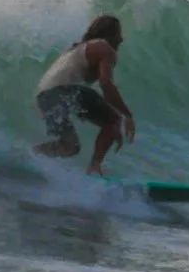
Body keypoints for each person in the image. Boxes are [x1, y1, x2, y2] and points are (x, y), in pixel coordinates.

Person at [33, 14, 136, 174]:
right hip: (64, 90)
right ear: (110, 35)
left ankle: (29, 156)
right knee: (113, 120)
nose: (121, 39)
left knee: (70, 145)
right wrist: (126, 115)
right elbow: (106, 84)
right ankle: (95, 168)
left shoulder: (77, 47)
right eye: (118, 34)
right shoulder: (105, 49)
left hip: (44, 96)